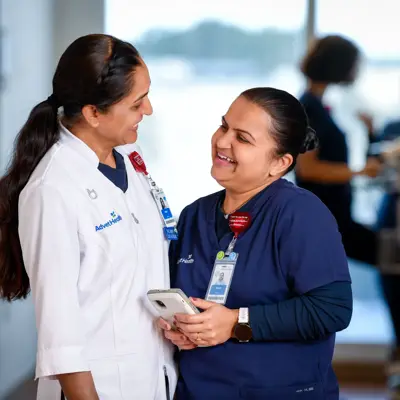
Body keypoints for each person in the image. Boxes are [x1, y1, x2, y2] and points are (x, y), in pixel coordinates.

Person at [0, 34, 177, 399]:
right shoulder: (54, 189)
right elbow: (59, 330)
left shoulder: (129, 161)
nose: (149, 110)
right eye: (137, 103)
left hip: (154, 373)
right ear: (93, 113)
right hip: (98, 388)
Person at [159, 87, 352, 399]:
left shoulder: (300, 214)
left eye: (242, 138)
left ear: (279, 163)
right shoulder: (194, 215)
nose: (222, 141)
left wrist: (237, 322)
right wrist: (182, 328)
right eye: (224, 126)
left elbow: (332, 310)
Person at [295, 35, 400, 392]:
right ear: (341, 66)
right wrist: (361, 172)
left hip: (336, 216)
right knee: (390, 262)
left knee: (389, 264)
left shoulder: (319, 104)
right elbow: (308, 170)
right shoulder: (307, 107)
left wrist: (370, 136)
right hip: (328, 221)